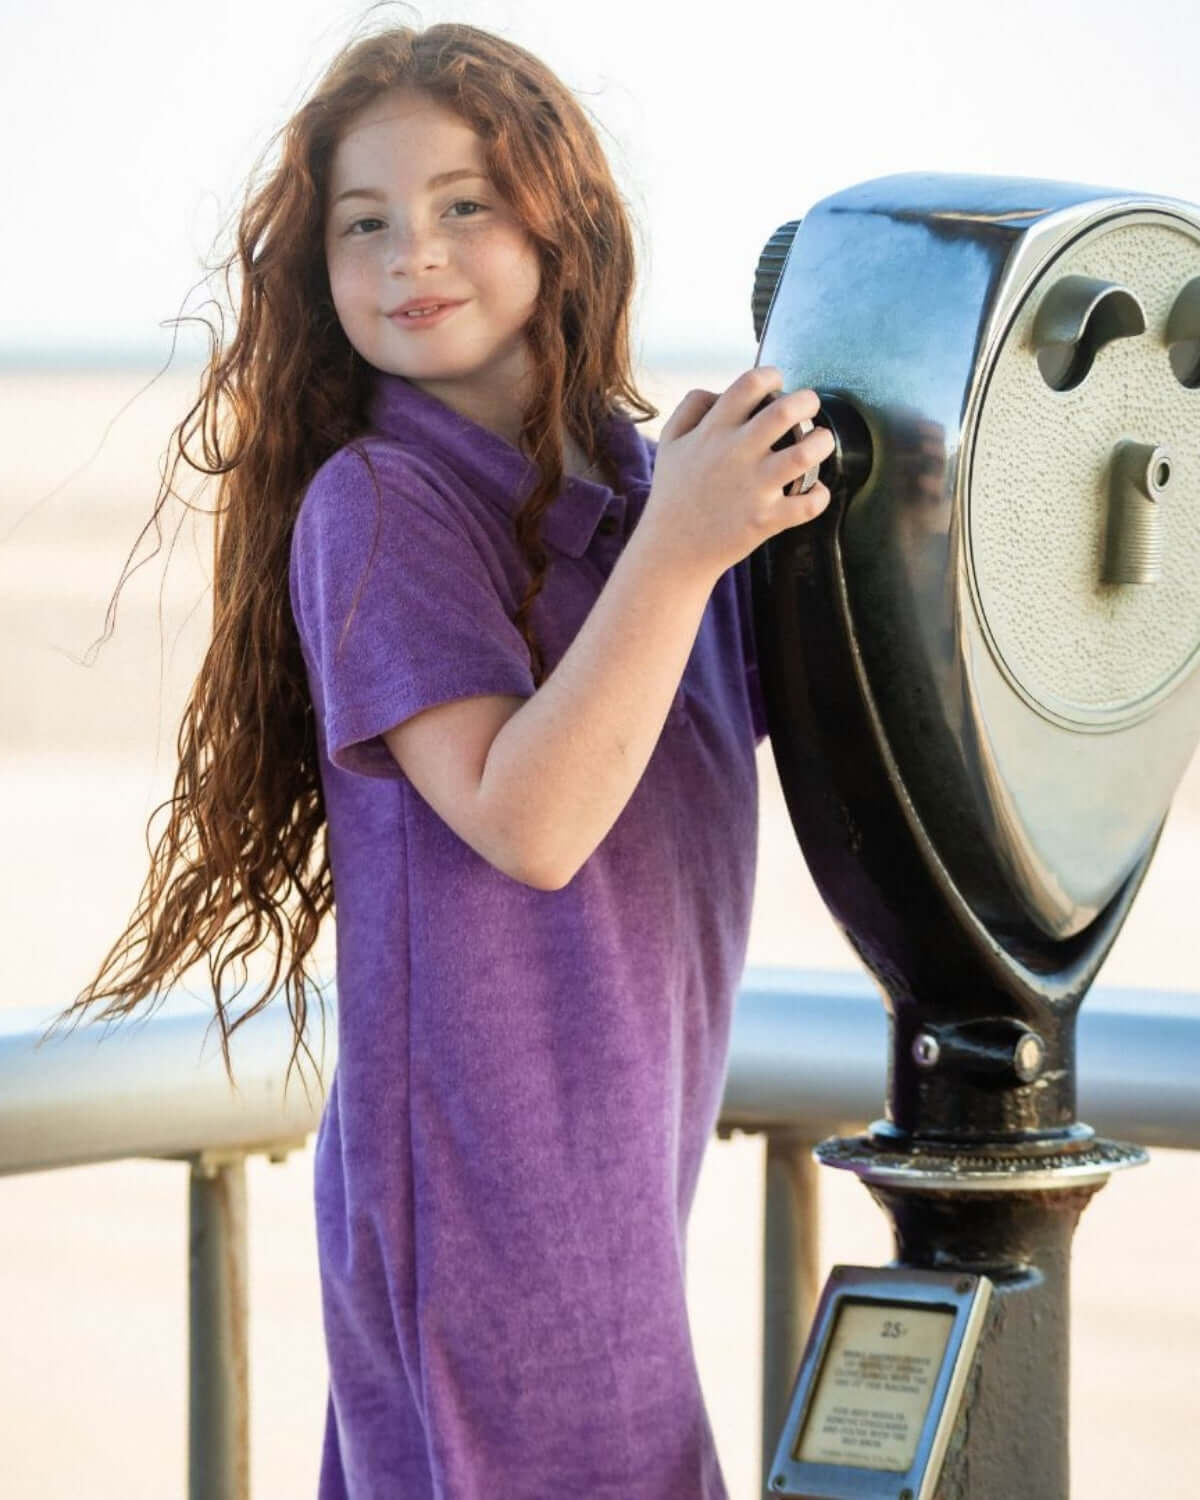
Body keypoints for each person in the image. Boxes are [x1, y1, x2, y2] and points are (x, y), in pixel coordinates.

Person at [48, 19, 833, 1499]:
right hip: (481, 1196)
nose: (412, 250)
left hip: (621, 1175)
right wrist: (683, 550)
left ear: (562, 218)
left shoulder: (648, 493)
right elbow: (528, 818)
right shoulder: (381, 500)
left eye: (463, 202)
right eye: (364, 222)